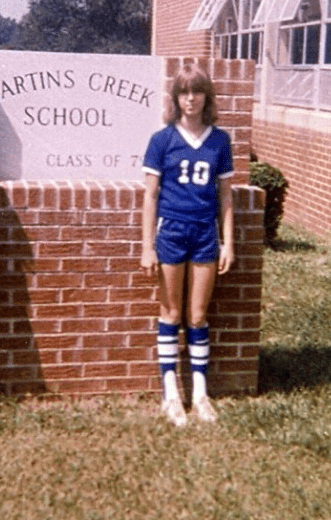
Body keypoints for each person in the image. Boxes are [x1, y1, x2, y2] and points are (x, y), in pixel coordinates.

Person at [141, 63, 234, 427]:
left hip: (205, 233)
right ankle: (170, 393)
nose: (190, 99)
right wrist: (146, 246)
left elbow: (226, 197)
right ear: (176, 98)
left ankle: (199, 391)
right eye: (184, 92)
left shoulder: (219, 140)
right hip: (172, 232)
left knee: (197, 315)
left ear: (206, 97)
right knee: (171, 313)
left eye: (197, 92)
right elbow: (150, 197)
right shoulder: (162, 139)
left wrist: (229, 242)